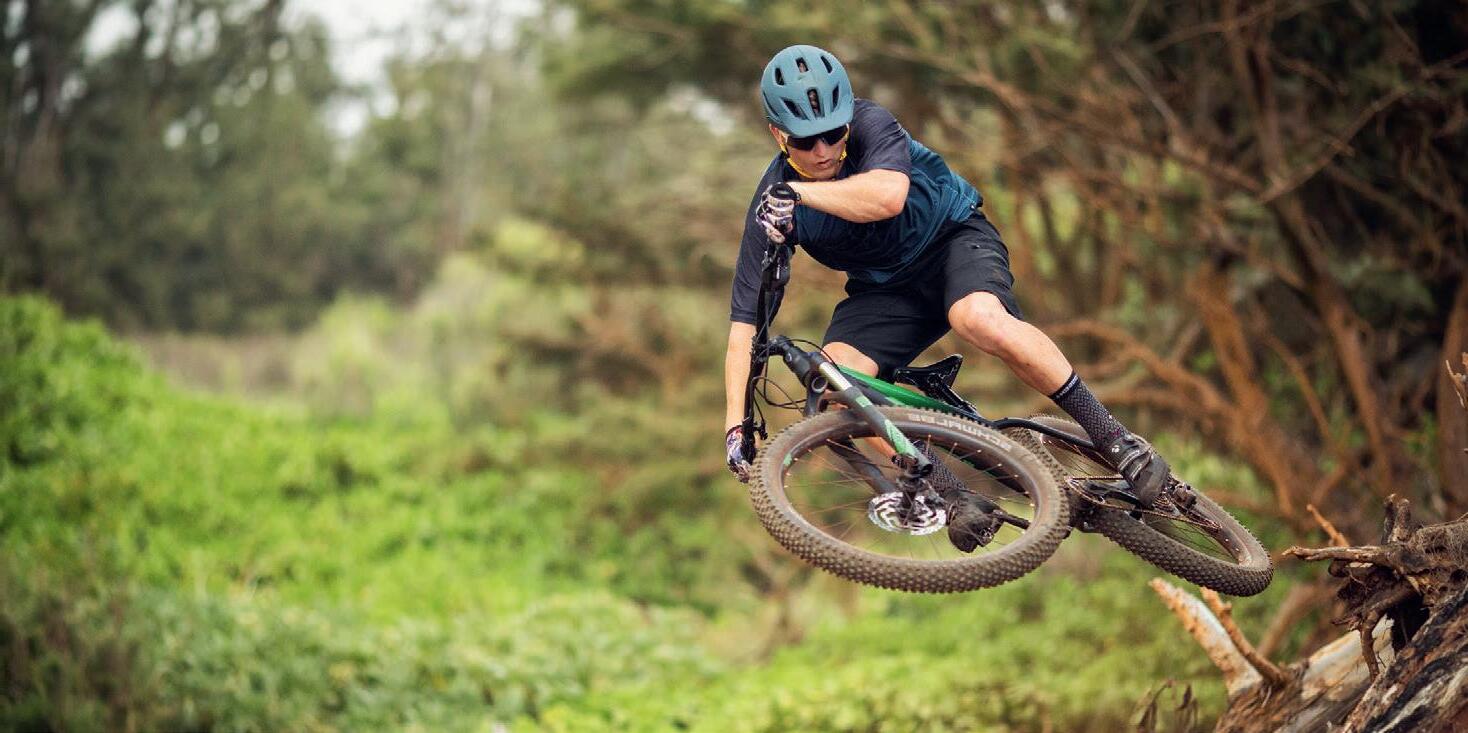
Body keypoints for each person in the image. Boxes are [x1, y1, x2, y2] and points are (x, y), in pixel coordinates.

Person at [723, 44, 1172, 551]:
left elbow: (887, 197)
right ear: (778, 135)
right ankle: (954, 496)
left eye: (834, 133)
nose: (823, 150)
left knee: (977, 317)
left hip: (953, 241)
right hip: (885, 289)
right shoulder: (769, 203)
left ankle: (1115, 439)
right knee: (833, 384)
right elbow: (745, 324)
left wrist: (800, 193)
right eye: (806, 141)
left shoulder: (871, 125)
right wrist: (736, 426)